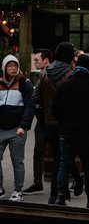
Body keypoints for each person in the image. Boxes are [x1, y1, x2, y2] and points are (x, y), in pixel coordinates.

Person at [51, 54, 89, 209]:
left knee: (65, 163)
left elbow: (55, 110)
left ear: (75, 66)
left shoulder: (64, 86)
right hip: (86, 133)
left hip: (66, 131)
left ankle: (60, 196)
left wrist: (63, 122)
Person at [32, 41, 75, 204]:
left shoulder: (44, 74)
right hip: (65, 122)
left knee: (57, 155)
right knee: (63, 157)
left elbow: (35, 97)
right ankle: (56, 193)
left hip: (49, 122)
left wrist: (46, 109)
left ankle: (57, 192)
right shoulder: (70, 74)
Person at [0, 55, 35, 202]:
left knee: (17, 161)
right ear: (4, 68)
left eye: (15, 65)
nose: (13, 68)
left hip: (17, 129)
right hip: (1, 129)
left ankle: (18, 190)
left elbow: (30, 106)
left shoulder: (25, 83)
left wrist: (23, 125)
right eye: (9, 66)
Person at [23, 49, 50, 195]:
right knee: (38, 152)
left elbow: (38, 97)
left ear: (46, 60)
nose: (35, 62)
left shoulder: (50, 74)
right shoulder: (42, 74)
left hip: (50, 119)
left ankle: (75, 179)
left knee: (59, 151)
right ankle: (37, 182)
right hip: (41, 119)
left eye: (37, 60)